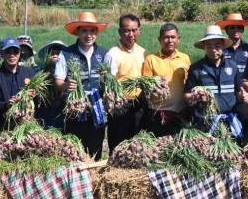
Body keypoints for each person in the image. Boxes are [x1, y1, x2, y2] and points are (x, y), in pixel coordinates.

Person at [55, 12, 109, 159]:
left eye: (92, 31)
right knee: (75, 150)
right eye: (84, 31)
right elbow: (58, 81)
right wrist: (65, 86)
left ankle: (95, 179)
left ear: (97, 33)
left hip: (97, 109)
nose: (88, 35)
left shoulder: (104, 54)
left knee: (96, 148)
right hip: (75, 109)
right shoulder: (66, 54)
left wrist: (107, 80)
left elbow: (110, 79)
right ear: (77, 32)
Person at [184, 26, 245, 135]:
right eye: (208, 46)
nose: (213, 50)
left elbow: (239, 91)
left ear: (223, 46)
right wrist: (196, 96)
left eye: (217, 46)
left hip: (229, 121)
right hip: (205, 122)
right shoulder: (196, 68)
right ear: (204, 47)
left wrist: (244, 96)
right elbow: (186, 95)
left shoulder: (233, 66)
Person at [103, 14, 146, 151]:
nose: (131, 34)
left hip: (140, 105)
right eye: (127, 30)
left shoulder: (143, 52)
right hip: (120, 106)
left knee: (137, 147)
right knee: (118, 146)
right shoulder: (113, 54)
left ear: (139, 31)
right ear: (120, 31)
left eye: (134, 30)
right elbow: (107, 82)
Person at [142, 23, 191, 137]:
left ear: (179, 39)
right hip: (159, 114)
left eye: (173, 37)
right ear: (160, 39)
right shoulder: (151, 60)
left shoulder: (185, 58)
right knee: (160, 150)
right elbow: (146, 88)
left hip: (180, 113)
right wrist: (156, 86)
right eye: (166, 37)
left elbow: (189, 83)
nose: (170, 41)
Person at [0, 38, 36, 133]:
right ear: (2, 54)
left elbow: (39, 98)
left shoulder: (29, 72)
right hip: (3, 126)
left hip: (27, 125)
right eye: (8, 52)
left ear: (19, 53)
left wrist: (35, 95)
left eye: (15, 51)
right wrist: (6, 104)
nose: (12, 55)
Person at [35, 40, 67, 130]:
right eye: (52, 53)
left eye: (58, 53)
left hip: (63, 114)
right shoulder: (39, 74)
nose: (55, 55)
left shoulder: (68, 74)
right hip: (44, 114)